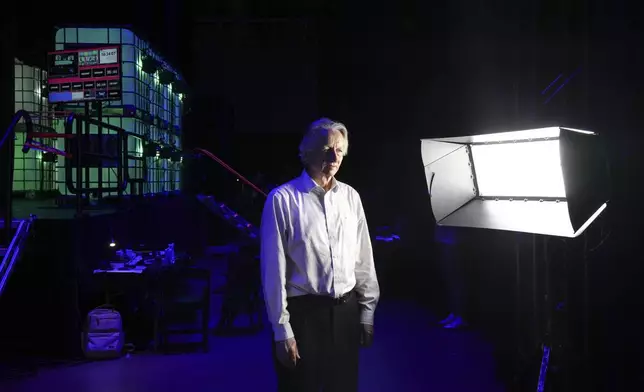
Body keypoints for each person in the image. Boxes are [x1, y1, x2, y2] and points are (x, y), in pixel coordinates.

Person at [260, 118, 380, 392]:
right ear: (307, 152)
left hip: (346, 313)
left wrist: (367, 312)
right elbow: (272, 271)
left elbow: (363, 258)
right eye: (327, 148)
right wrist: (282, 331)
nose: (334, 156)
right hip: (304, 317)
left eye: (339, 149)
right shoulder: (282, 199)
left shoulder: (351, 197)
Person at [435, 225, 467, 329]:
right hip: (446, 236)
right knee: (450, 278)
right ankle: (454, 313)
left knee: (456, 279)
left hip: (454, 238)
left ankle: (460, 315)